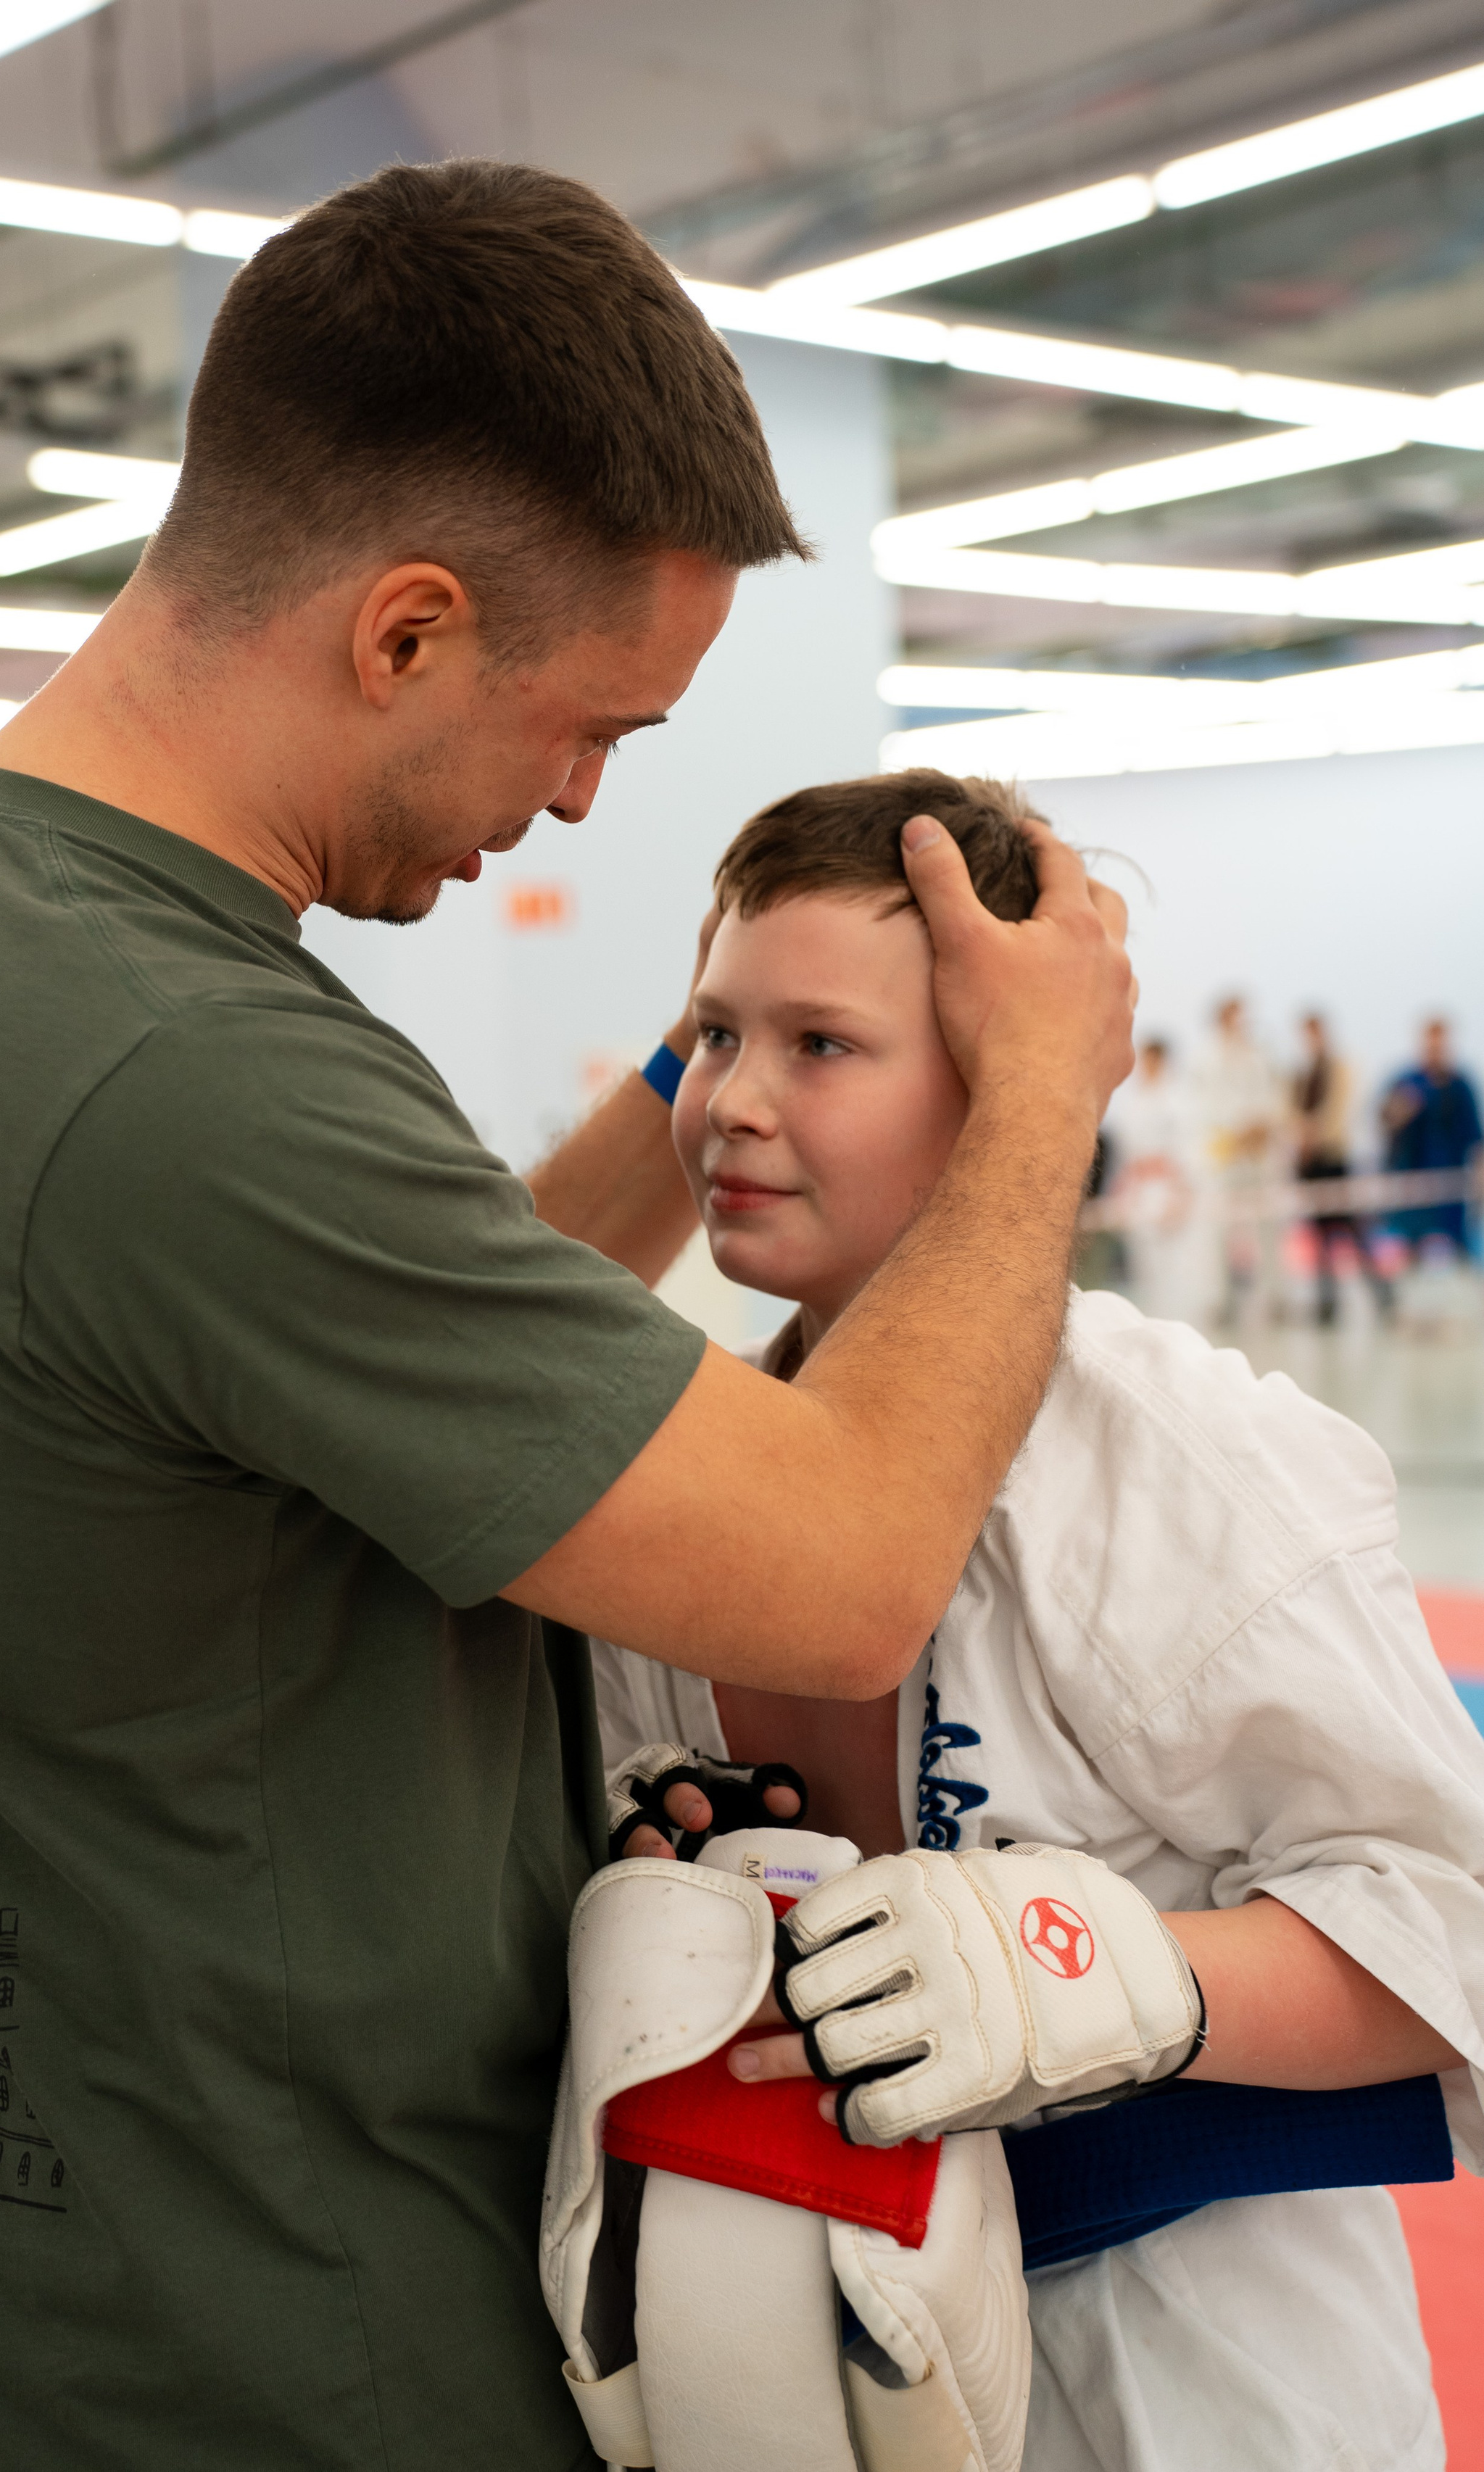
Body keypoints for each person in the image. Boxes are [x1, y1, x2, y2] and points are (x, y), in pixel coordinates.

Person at [0, 163, 1132, 2472]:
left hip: (145, 2279)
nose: (579, 800)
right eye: (586, 723)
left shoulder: (24, 931)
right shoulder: (178, 1063)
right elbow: (848, 1559)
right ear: (406, 630)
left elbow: (385, 1354)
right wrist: (1039, 1101)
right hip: (309, 2341)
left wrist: (716, 1054)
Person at [592, 768, 1484, 2472]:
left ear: (995, 1083)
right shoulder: (679, 1479)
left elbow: (1452, 1926)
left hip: (1197, 2386)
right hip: (807, 2371)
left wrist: (1105, 1974)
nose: (731, 1104)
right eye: (712, 1034)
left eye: (819, 1045)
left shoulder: (1182, 1464)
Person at [1290, 1010, 1391, 1327]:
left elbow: (1338, 1111)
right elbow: (1293, 1112)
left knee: (1353, 1231)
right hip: (1310, 1165)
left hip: (1334, 1161)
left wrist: (1314, 1134)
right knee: (1319, 1238)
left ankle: (1382, 1294)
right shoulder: (1302, 1074)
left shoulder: (1340, 1069)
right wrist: (1301, 1137)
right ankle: (1328, 1303)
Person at [1193, 992, 1282, 1327]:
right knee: (1220, 1229)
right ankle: (1222, 1299)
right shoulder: (1206, 1058)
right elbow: (1205, 1107)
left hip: (1258, 1153)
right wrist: (1238, 1131)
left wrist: (1262, 1125)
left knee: (1269, 1226)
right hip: (1225, 1154)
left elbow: (1272, 1097)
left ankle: (1275, 1296)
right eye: (1235, 1014)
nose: (1241, 1022)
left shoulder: (1259, 1056)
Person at [1103, 1034, 1201, 1324]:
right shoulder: (1134, 1102)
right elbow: (1125, 1155)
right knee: (1144, 1267)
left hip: (1168, 1189)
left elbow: (1187, 1151)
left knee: (1175, 1264)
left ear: (1162, 1060)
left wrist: (1181, 1193)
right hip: (1139, 1192)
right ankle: (1152, 1324)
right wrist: (1123, 1192)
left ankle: (1180, 1322)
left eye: (1150, 1060)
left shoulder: (1178, 1101)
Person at [1383, 1016, 1483, 1264]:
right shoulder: (1407, 1082)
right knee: (1406, 1251)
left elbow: (1475, 1136)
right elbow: (1386, 1121)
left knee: (1453, 1252)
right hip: (1412, 1187)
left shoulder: (1460, 1085)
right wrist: (1401, 1111)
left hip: (1450, 1188)